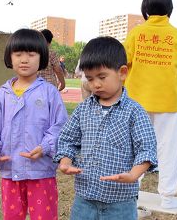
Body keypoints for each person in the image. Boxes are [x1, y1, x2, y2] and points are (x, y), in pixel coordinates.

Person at [53, 36, 158, 220]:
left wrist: (133, 175)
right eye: (90, 78)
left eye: (102, 77)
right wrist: (65, 162)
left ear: (122, 73)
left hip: (121, 202)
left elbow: (147, 148)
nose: (96, 84)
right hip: (84, 198)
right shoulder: (84, 109)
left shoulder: (134, 111)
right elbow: (68, 138)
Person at [0, 29, 68, 220]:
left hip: (41, 172)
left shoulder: (50, 93)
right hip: (10, 171)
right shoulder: (2, 95)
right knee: (12, 216)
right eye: (18, 54)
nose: (24, 59)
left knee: (44, 216)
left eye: (31, 54)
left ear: (42, 57)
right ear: (10, 57)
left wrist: (45, 146)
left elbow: (60, 126)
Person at [124, 0, 177, 209]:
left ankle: (131, 190)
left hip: (137, 101)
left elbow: (123, 64)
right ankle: (167, 196)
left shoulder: (136, 33)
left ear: (145, 7)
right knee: (169, 149)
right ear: (169, 8)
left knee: (135, 147)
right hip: (169, 102)